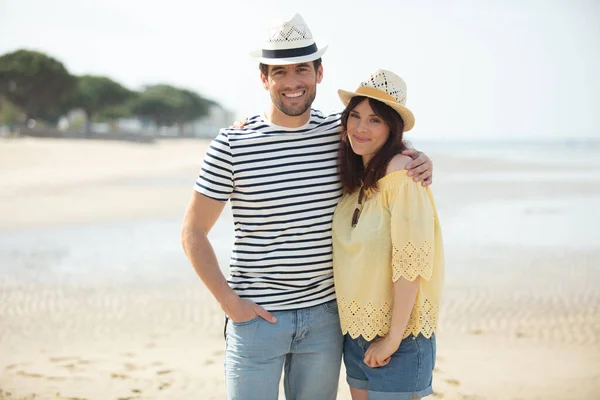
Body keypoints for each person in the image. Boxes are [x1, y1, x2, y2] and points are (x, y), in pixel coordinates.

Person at [180, 14, 434, 400]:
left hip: (325, 321)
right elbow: (192, 232)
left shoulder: (340, 132)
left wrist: (418, 157)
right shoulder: (233, 144)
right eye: (280, 72)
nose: (292, 82)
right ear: (264, 79)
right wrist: (230, 302)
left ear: (319, 73)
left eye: (302, 69)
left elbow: (384, 141)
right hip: (257, 322)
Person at [331, 69, 444, 400]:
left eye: (375, 120)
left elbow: (412, 260)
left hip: (401, 336)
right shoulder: (357, 180)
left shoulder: (403, 177)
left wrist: (393, 336)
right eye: (355, 116)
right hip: (355, 332)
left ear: (392, 128)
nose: (361, 128)